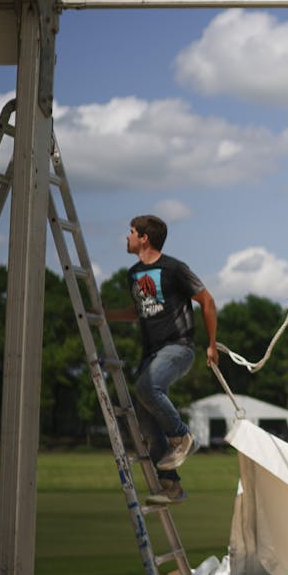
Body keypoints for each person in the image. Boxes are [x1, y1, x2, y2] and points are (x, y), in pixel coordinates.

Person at [105, 214, 218, 505]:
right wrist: (108, 315)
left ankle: (182, 437)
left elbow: (207, 301)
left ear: (144, 238)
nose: (126, 237)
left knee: (146, 387)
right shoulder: (133, 274)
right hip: (150, 353)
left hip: (178, 347)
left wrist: (212, 345)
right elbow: (140, 310)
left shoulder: (174, 268)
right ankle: (171, 486)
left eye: (131, 232)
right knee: (147, 422)